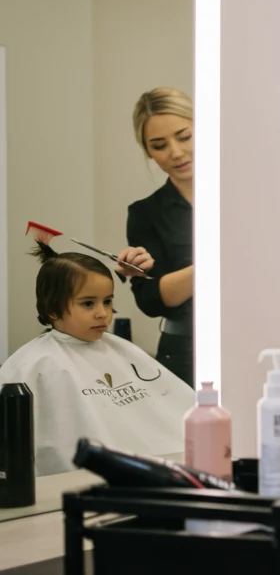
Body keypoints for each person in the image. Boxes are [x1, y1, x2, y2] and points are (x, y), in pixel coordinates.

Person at [0, 244, 189, 475]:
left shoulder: (121, 350)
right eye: (88, 303)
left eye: (107, 301)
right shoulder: (34, 364)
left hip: (165, 468)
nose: (103, 313)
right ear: (52, 309)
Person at [119, 87, 195, 386]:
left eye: (184, 136)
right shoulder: (146, 213)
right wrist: (219, 264)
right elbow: (151, 300)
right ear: (148, 151)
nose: (176, 152)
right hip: (184, 353)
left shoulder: (245, 194)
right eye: (159, 145)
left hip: (259, 341)